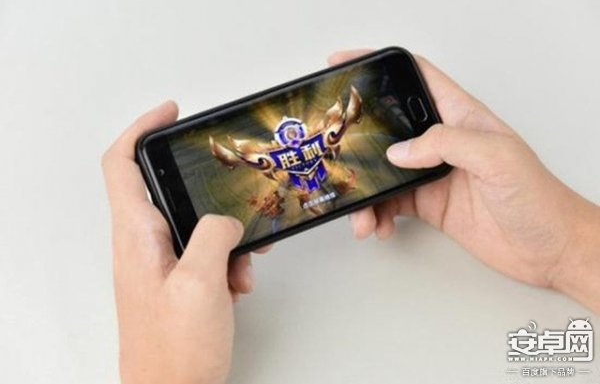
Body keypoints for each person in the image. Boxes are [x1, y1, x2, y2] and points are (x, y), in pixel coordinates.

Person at [102, 49, 600, 384]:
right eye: (289, 137)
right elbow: (253, 155)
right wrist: (565, 253)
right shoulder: (274, 155)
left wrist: (566, 252)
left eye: (296, 135)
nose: (293, 141)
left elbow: (336, 123)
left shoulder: (319, 138)